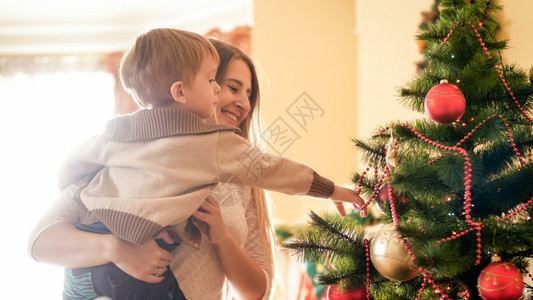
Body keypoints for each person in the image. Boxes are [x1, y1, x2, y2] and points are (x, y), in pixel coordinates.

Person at [29, 29, 366, 299]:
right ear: (181, 90)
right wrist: (118, 248)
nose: (239, 101)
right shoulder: (189, 147)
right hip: (127, 272)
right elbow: (40, 241)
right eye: (224, 85)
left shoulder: (120, 136)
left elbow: (257, 291)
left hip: (96, 277)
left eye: (249, 94)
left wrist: (222, 235)